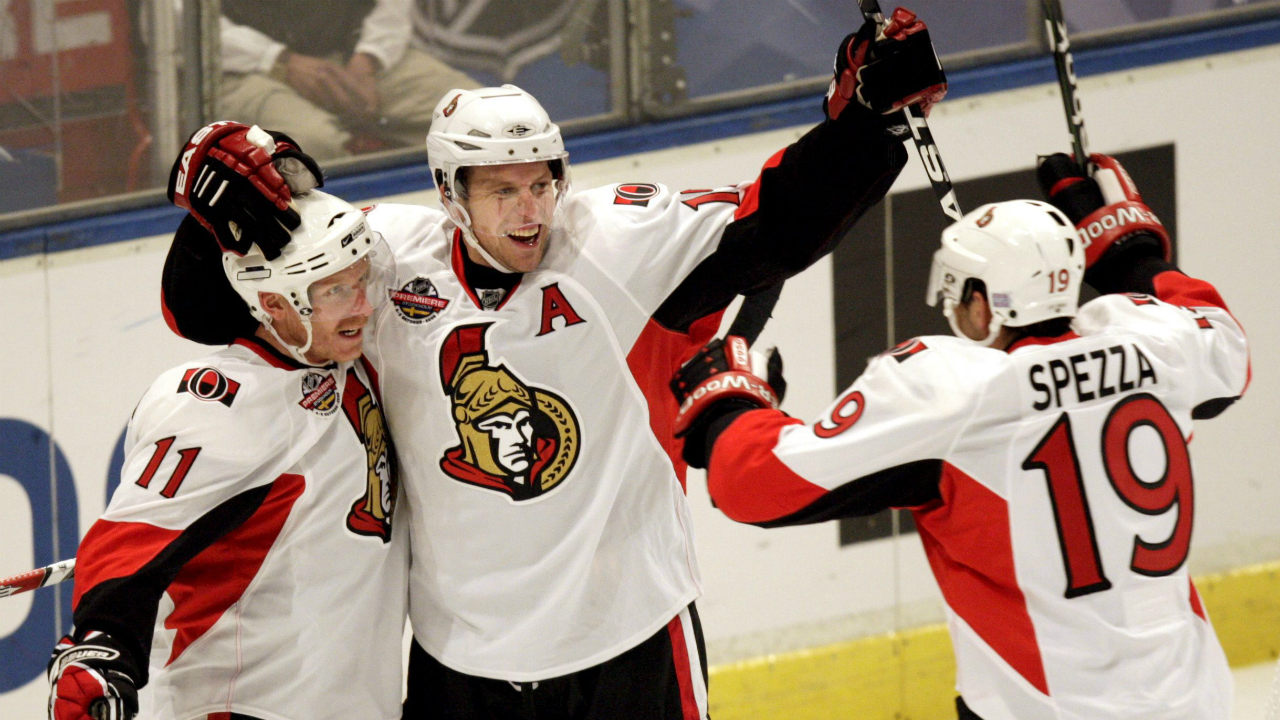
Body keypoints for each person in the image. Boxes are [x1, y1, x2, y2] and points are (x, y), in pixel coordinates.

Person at [161, 9, 948, 717]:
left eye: (542, 182)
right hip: (462, 659)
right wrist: (212, 210)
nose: (531, 209)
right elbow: (203, 312)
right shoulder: (385, 259)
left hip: (631, 636)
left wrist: (864, 127)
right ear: (448, 190)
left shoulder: (614, 242)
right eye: (502, 189)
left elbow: (774, 229)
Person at [671, 152, 1250, 720]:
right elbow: (1225, 345)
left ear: (982, 304)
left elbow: (752, 483)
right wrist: (1130, 253)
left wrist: (730, 400)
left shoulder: (952, 391)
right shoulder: (1153, 338)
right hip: (1193, 698)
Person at [46, 189, 408, 720]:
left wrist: (267, 163)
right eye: (334, 290)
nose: (362, 305)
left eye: (360, 281)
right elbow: (134, 538)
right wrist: (103, 646)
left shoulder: (351, 355)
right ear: (274, 303)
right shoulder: (217, 401)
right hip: (239, 707)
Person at [217, 0, 478, 160]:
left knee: (476, 116)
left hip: (350, 50)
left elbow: (390, 6)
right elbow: (185, 24)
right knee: (311, 147)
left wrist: (369, 58)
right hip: (240, 65)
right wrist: (278, 60)